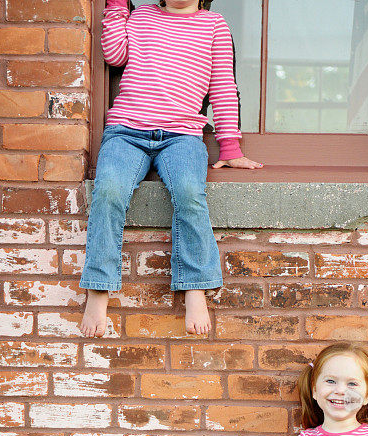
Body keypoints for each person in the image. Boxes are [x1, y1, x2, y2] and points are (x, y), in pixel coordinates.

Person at [80, 0, 262, 338]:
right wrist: (118, 6)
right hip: (127, 132)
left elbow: (222, 86)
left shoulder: (213, 25)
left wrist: (230, 146)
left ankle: (195, 286)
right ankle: (98, 287)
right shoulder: (143, 14)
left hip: (182, 136)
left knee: (190, 194)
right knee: (108, 190)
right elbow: (114, 55)